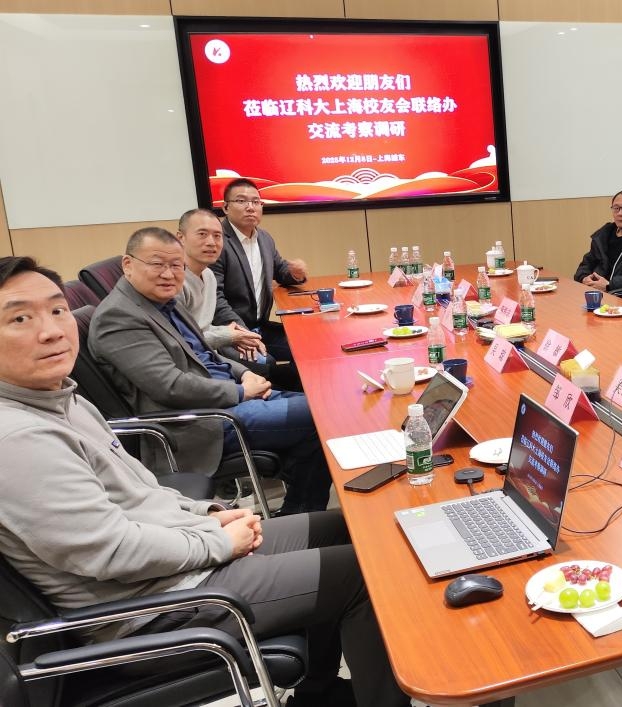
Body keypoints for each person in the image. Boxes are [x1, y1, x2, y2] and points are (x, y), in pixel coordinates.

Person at [0, 255, 409, 707]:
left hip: (175, 564)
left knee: (347, 528)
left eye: (57, 309)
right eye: (20, 318)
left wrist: (208, 514)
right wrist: (218, 543)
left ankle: (320, 693)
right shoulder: (18, 440)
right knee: (369, 574)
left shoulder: (59, 398)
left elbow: (142, 490)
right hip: (153, 610)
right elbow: (111, 552)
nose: (52, 330)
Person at [89, 227, 330, 515]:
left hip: (226, 400)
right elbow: (171, 387)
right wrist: (240, 392)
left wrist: (243, 373)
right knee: (325, 414)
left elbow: (206, 354)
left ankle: (301, 515)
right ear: (128, 264)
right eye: (157, 264)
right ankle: (304, 516)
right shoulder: (119, 317)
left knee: (324, 412)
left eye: (176, 265)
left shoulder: (164, 302)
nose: (168, 274)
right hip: (201, 423)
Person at [212, 177, 308, 368]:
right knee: (265, 363)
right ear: (225, 207)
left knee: (307, 344)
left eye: (256, 202)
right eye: (241, 201)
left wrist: (295, 273)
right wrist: (241, 333)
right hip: (232, 331)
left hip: (260, 326)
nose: (250, 207)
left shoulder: (264, 238)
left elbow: (280, 270)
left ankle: (298, 386)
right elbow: (216, 298)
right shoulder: (217, 241)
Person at [174, 208, 268, 372]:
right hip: (189, 364)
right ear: (180, 238)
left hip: (208, 352)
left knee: (266, 361)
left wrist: (238, 333)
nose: (211, 242)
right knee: (264, 367)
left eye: (217, 236)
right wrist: (230, 336)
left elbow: (204, 327)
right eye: (202, 234)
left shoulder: (208, 275)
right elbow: (180, 340)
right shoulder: (172, 281)